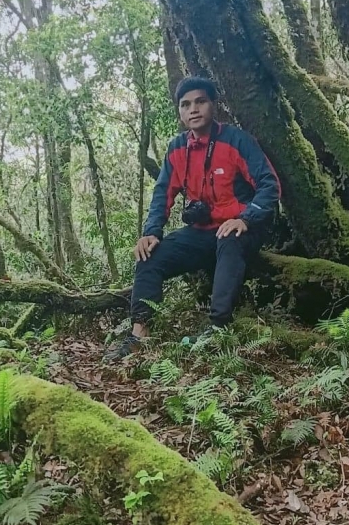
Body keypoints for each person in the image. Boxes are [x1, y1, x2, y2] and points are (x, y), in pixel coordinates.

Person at [104, 76, 280, 360]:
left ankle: (217, 326)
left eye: (200, 101)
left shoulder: (236, 140)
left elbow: (269, 185)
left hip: (241, 228)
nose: (193, 109)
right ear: (180, 112)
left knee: (230, 239)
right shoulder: (177, 149)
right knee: (149, 255)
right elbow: (163, 194)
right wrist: (152, 232)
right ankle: (140, 334)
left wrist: (246, 219)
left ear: (213, 105)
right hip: (201, 232)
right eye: (185, 105)